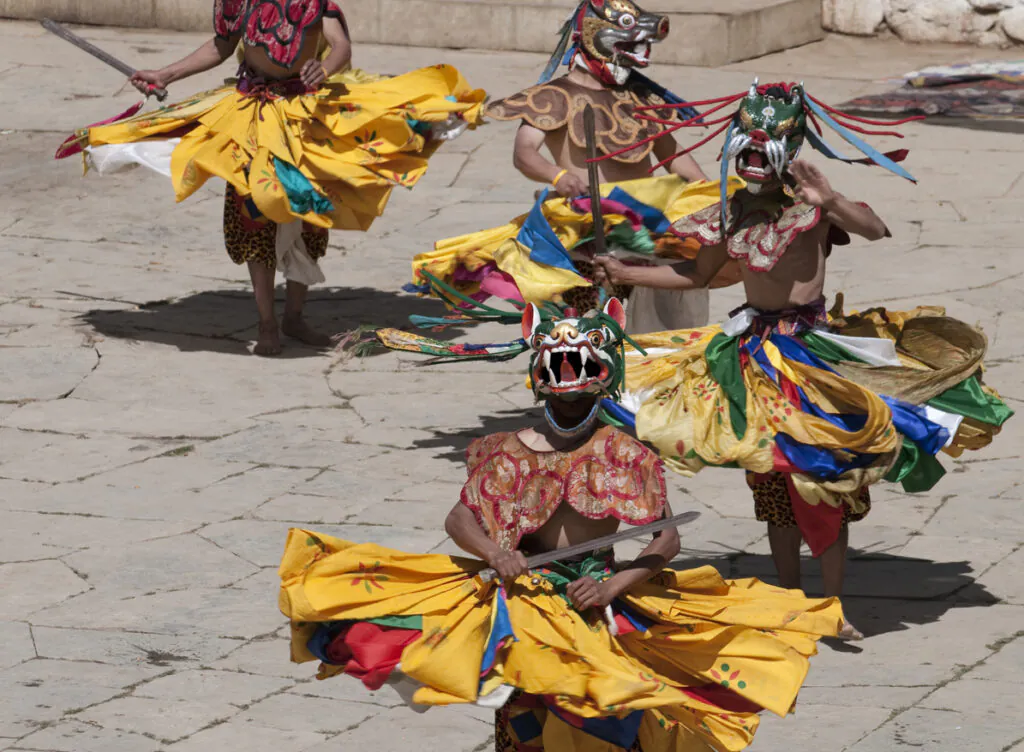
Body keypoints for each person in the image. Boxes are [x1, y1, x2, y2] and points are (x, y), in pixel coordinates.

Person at [281, 300, 846, 752]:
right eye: (556, 368)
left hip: (591, 596)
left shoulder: (626, 453)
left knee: (596, 709)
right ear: (539, 378)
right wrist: (494, 552)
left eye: (581, 369)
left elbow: (666, 537)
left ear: (602, 379)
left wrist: (612, 586)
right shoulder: (504, 451)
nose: (567, 381)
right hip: (520, 595)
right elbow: (459, 518)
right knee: (522, 709)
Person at [593, 81, 1013, 638]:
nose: (750, 160)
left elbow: (877, 228)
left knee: (824, 482)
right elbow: (694, 276)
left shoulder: (810, 210)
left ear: (787, 152)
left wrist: (831, 200)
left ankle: (832, 607)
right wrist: (624, 273)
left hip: (809, 355)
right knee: (771, 478)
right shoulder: (731, 212)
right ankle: (789, 598)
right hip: (748, 354)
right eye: (743, 148)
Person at [57, 0, 485, 355]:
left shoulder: (317, 2)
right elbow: (221, 46)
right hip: (253, 113)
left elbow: (340, 46)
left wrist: (326, 68)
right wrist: (165, 74)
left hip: (305, 115)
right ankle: (266, 323)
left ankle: (295, 316)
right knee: (253, 213)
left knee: (311, 213)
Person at [405, 0, 723, 334]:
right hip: (584, 234)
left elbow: (681, 164)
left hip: (644, 232)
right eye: (630, 42)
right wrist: (558, 176)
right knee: (582, 332)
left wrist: (711, 202)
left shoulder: (644, 99)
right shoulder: (555, 96)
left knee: (660, 334)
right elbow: (525, 152)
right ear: (593, 35)